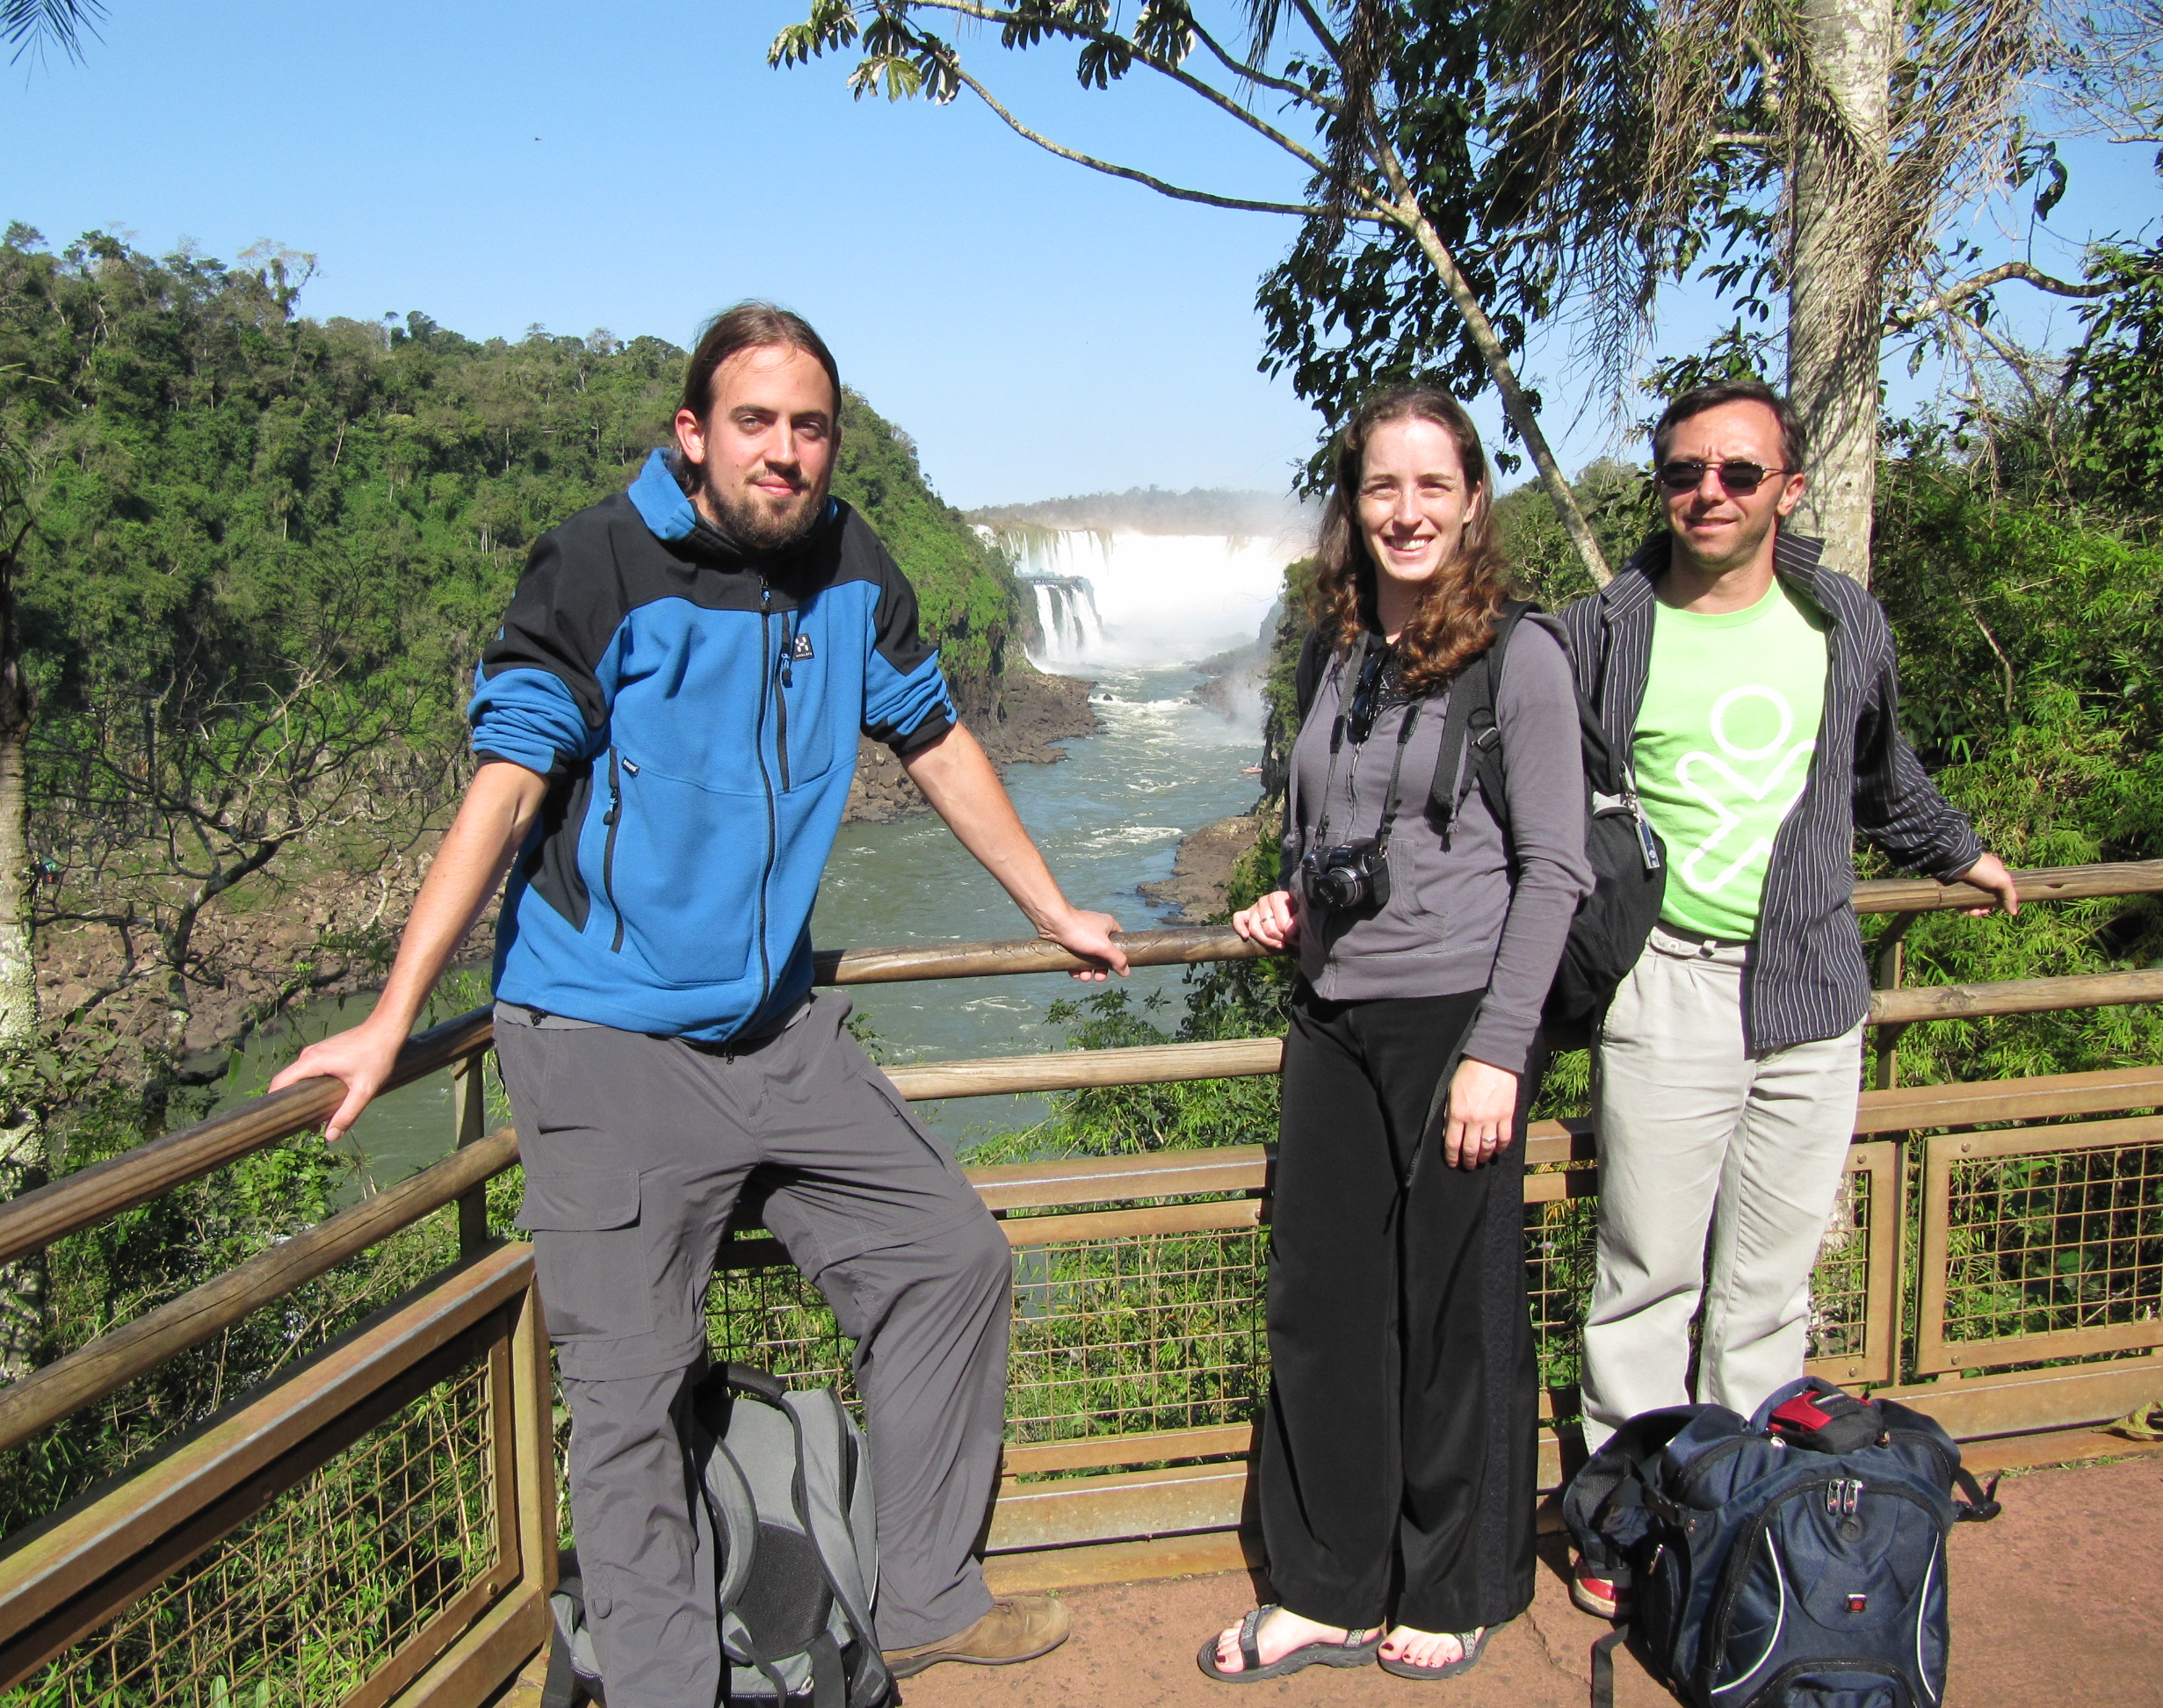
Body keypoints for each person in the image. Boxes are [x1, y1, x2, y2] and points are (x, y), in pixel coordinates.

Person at [271, 303, 1128, 1708]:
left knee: (949, 1258)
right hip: (602, 1036)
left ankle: (922, 1597)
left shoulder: (850, 564)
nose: (785, 452)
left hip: (774, 1031)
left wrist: (1050, 909)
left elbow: (934, 738)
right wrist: (390, 1015)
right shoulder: (601, 562)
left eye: (810, 427)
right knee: (631, 1395)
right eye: (755, 423)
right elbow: (509, 783)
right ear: (693, 433)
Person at [1559, 378, 2018, 1617]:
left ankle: (1744, 1518)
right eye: (1683, 472)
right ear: (1661, 487)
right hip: (1668, 981)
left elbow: (1877, 772)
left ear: (1789, 489)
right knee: (1647, 1276)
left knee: (1767, 1290)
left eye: (1738, 472)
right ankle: (1624, 1518)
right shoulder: (1605, 631)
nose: (1707, 493)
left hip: (1812, 989)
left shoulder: (1842, 620)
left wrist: (1959, 851)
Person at [1208, 385, 1594, 1683]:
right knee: (1323, 1306)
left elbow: (1554, 868)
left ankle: (1453, 1583)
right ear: (1354, 504)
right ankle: (1328, 1584)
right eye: (1384, 485)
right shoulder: (1334, 649)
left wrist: (1499, 1048)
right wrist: (1291, 895)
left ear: (1474, 501)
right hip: (1334, 1013)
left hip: (1457, 1020)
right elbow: (1323, 820)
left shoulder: (1519, 657)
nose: (1408, 510)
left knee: (1450, 1312)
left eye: (1434, 485)